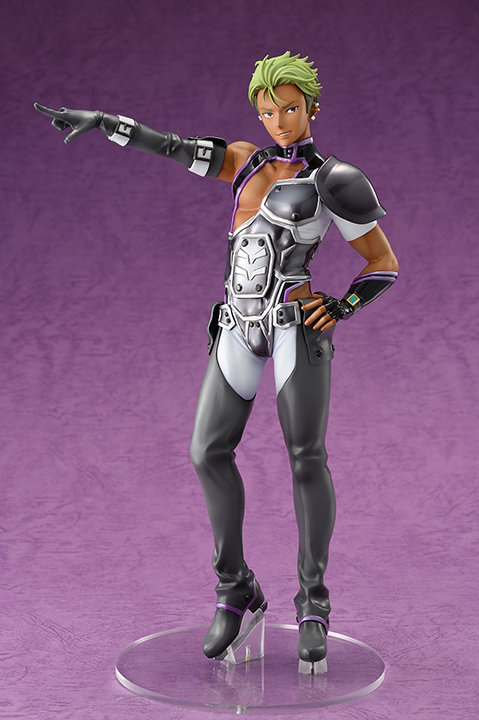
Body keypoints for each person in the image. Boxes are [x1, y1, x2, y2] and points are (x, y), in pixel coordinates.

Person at [35, 51, 398, 666]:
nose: (279, 121)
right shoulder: (243, 160)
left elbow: (382, 261)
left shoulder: (334, 179)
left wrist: (342, 305)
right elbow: (171, 147)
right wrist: (103, 122)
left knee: (306, 458)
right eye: (267, 112)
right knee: (206, 451)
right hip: (236, 321)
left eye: (289, 109)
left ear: (312, 107)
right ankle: (236, 588)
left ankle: (313, 602)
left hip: (293, 324)